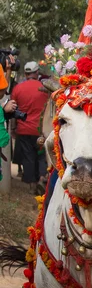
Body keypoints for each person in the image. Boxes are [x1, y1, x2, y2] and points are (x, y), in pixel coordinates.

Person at [9, 61, 49, 192]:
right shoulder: (44, 88)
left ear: (26, 74)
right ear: (37, 73)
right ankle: (42, 177)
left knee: (28, 157)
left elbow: (14, 110)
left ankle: (32, 185)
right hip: (41, 130)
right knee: (42, 154)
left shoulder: (17, 89)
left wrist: (14, 128)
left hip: (24, 129)